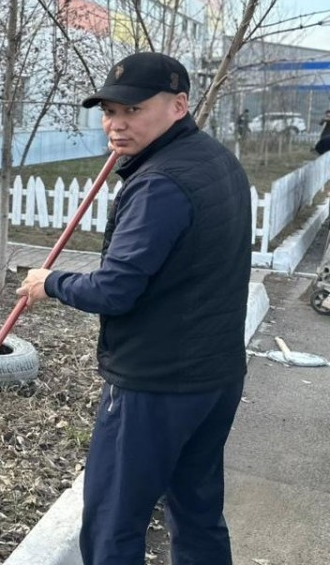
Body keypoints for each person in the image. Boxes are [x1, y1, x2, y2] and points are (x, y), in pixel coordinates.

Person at [16, 52, 252, 565]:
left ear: (178, 105)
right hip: (215, 376)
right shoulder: (217, 161)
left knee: (112, 522)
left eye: (132, 111)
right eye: (109, 112)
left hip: (156, 384)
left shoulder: (160, 184)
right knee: (197, 511)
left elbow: (115, 290)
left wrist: (51, 282)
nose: (115, 126)